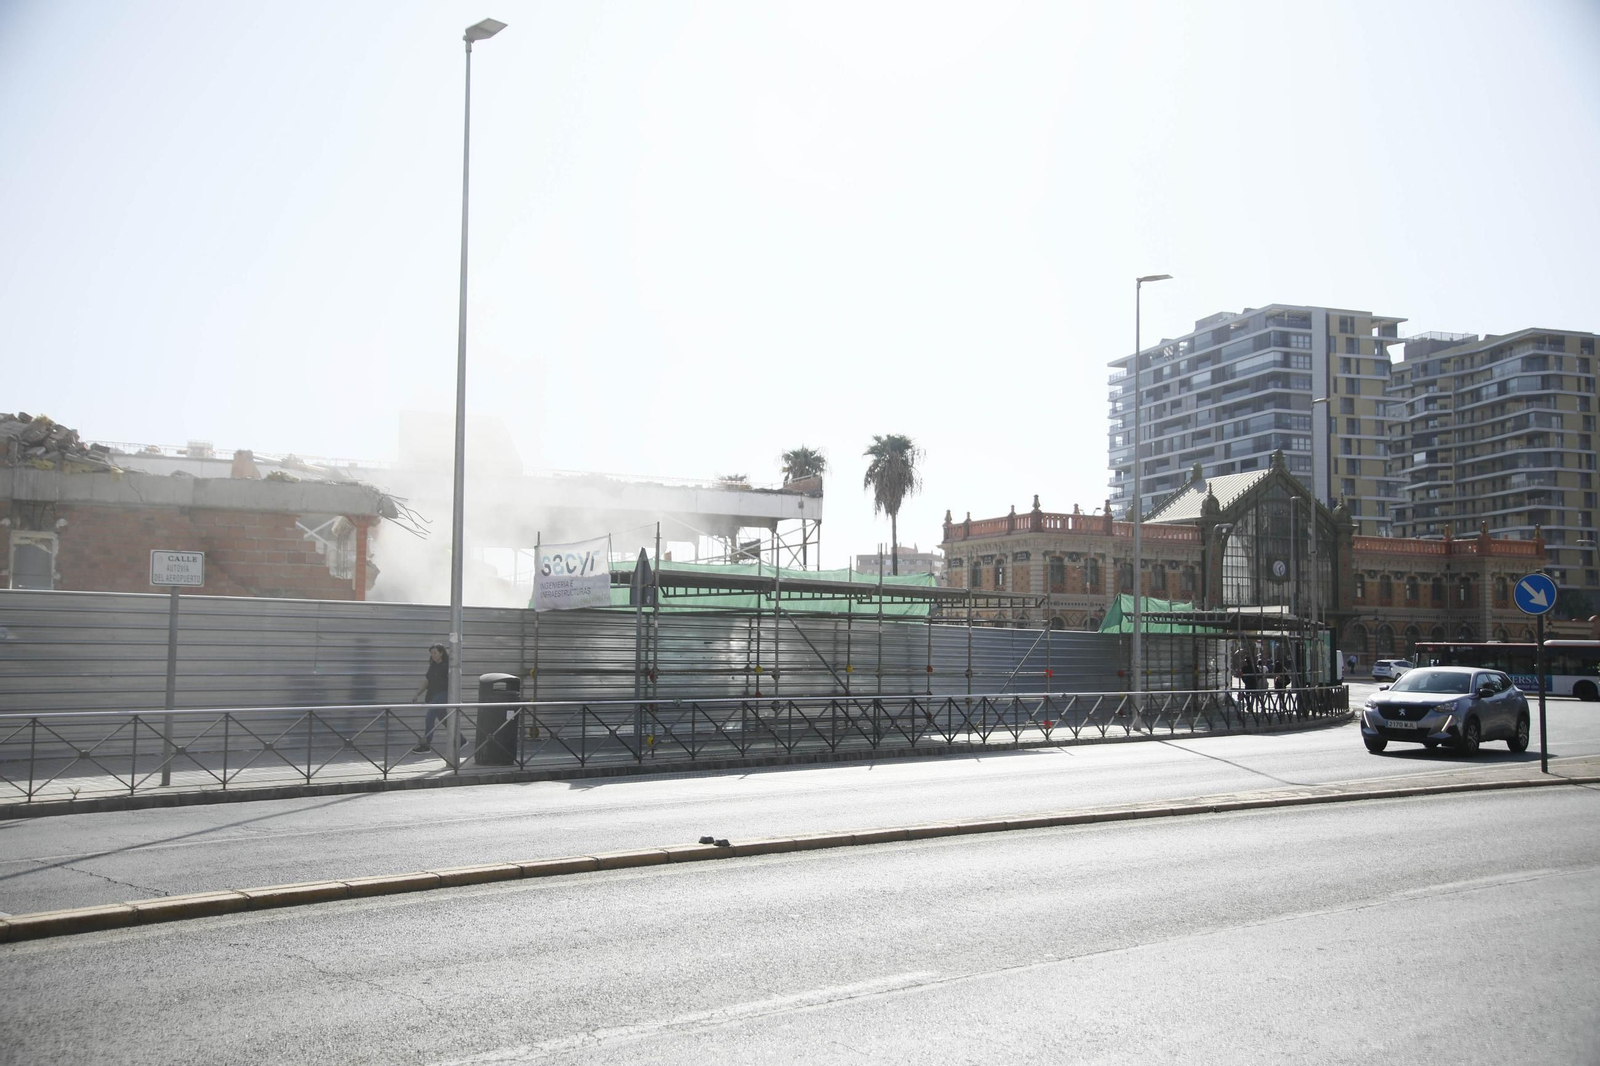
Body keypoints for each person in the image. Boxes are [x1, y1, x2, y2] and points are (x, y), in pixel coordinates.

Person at [412, 644, 457, 754]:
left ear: (441, 653)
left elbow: (454, 682)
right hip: (434, 695)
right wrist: (417, 693)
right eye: (431, 653)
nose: (433, 655)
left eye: (435, 653)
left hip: (443, 694)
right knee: (445, 720)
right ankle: (461, 740)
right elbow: (427, 682)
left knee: (429, 717)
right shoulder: (433, 666)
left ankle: (426, 745)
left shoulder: (447, 666)